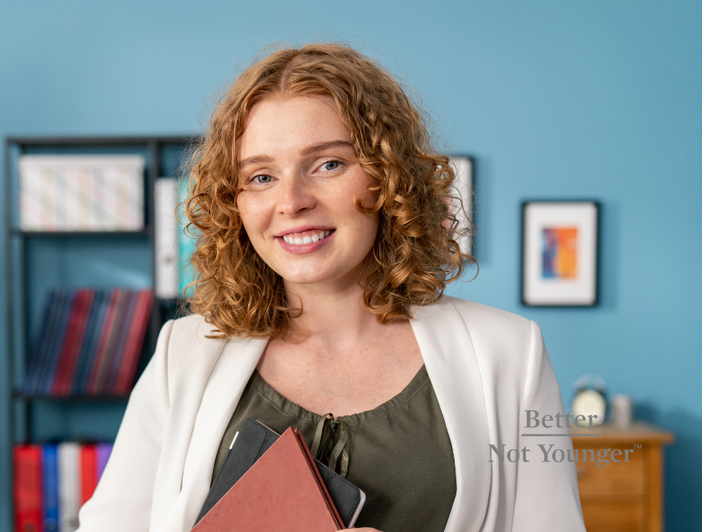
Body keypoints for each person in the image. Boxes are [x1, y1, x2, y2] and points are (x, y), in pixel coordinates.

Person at [75, 43, 585, 532]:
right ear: (235, 204)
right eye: (259, 177)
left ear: (389, 178)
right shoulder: (181, 356)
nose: (291, 201)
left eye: (329, 164)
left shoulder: (511, 355)